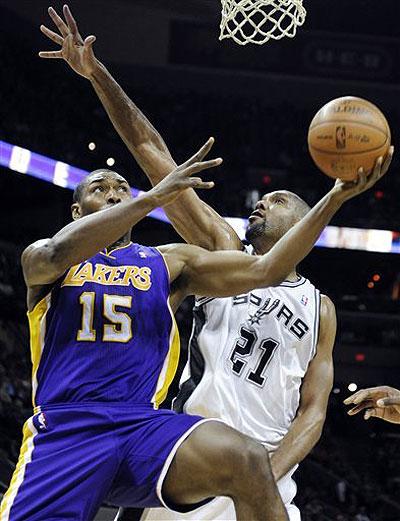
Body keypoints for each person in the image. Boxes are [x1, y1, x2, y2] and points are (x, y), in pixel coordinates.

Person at [37, 5, 393, 521]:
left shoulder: (321, 309)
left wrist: (265, 475)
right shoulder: (222, 251)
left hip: (263, 482)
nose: (260, 203)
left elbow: (313, 414)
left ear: (303, 218)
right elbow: (148, 149)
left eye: (276, 200)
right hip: (183, 463)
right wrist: (97, 75)